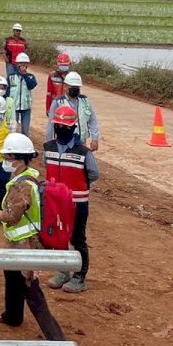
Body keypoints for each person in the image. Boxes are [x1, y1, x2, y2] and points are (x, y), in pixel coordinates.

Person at [0, 133, 66, 341]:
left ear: (17, 158)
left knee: (30, 289)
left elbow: (11, 217)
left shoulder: (20, 186)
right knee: (12, 278)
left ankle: (55, 337)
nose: (5, 161)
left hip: (24, 244)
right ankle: (12, 316)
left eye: (7, 157)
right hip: (18, 242)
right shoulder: (28, 175)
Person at [44, 105, 100, 294]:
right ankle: (63, 271)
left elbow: (93, 174)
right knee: (59, 238)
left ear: (73, 127)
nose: (61, 129)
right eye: (58, 125)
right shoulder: (48, 147)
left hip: (78, 203)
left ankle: (79, 277)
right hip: (55, 203)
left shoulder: (84, 152)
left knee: (78, 239)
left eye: (64, 126)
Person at [48, 72, 100, 151]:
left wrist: (95, 139)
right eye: (72, 86)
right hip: (63, 144)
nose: (75, 89)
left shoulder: (85, 101)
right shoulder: (58, 102)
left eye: (77, 87)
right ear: (65, 86)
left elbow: (93, 121)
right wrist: (49, 144)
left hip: (81, 144)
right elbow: (50, 126)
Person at [8, 52, 38, 135]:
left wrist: (25, 75)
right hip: (14, 106)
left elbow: (31, 85)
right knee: (12, 127)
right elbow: (7, 90)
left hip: (26, 107)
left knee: (25, 130)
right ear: (17, 64)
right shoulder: (11, 77)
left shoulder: (30, 76)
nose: (22, 65)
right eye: (20, 63)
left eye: (24, 63)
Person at [44, 53, 71, 138]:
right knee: (53, 127)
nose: (63, 67)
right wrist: (48, 108)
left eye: (65, 65)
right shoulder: (52, 75)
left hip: (68, 106)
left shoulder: (71, 76)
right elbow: (49, 93)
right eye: (61, 65)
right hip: (55, 106)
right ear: (58, 65)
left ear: (69, 64)